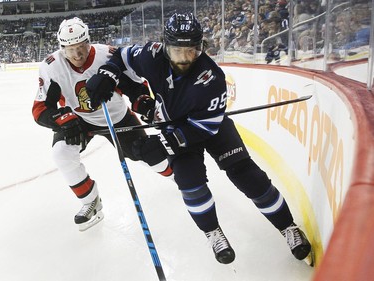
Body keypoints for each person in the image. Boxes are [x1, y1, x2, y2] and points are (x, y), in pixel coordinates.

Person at [86, 13, 313, 266]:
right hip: (175, 127)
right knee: (190, 185)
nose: (184, 59)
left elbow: (203, 128)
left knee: (248, 176)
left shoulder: (212, 77)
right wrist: (109, 73)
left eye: (191, 51)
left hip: (210, 129)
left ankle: (287, 227)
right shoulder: (151, 55)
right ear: (164, 45)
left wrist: (162, 145)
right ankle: (212, 232)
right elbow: (121, 56)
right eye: (177, 51)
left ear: (200, 47)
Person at [32, 17, 172, 231]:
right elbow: (40, 109)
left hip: (117, 118)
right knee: (62, 153)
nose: (77, 55)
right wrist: (60, 120)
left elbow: (135, 86)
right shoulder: (51, 67)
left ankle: (181, 178)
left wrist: (142, 102)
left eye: (81, 47)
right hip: (79, 121)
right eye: (70, 50)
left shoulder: (107, 55)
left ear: (89, 41)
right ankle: (91, 202)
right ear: (62, 48)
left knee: (148, 154)